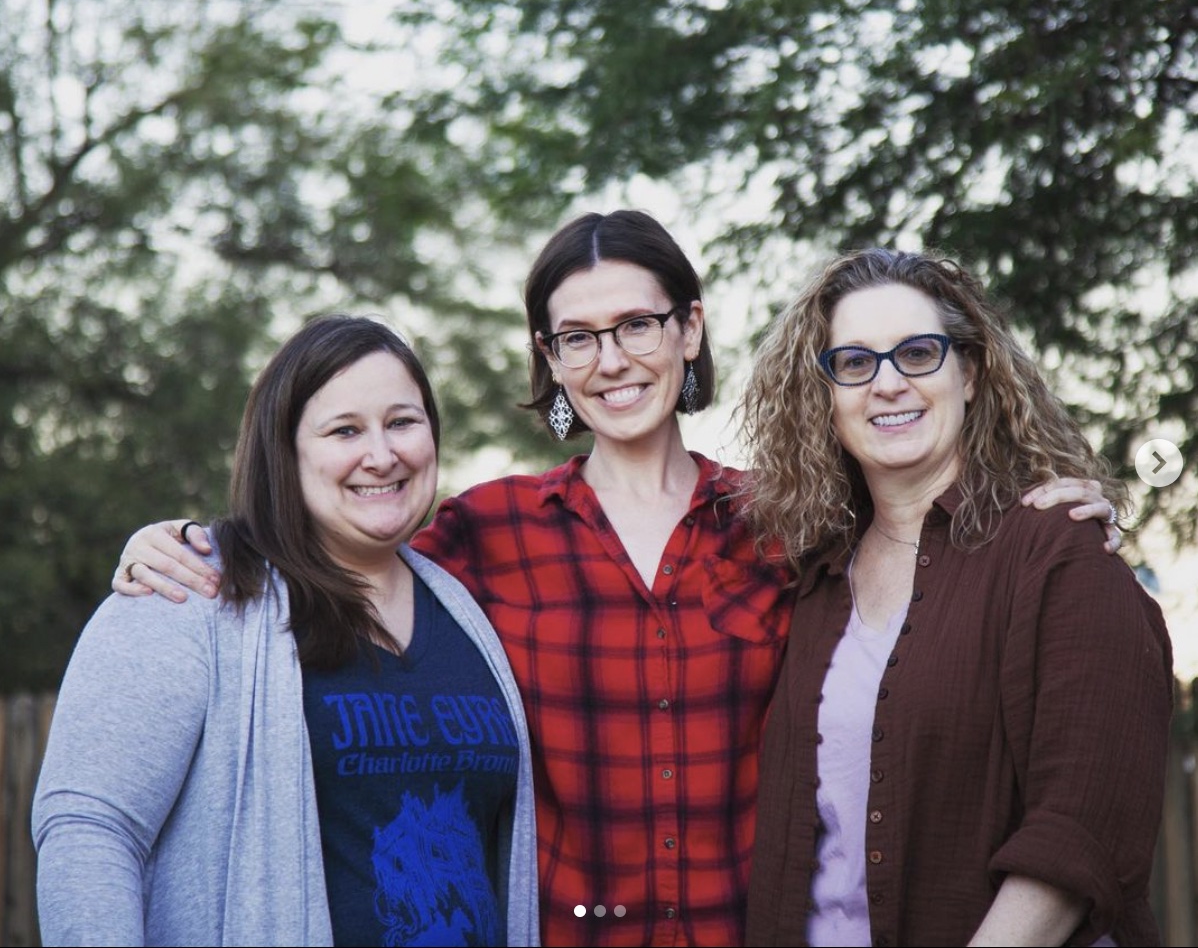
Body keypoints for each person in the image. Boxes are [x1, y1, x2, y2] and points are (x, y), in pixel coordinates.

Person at [106, 212, 1121, 947]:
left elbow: (931, 540)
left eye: (638, 324)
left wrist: (1063, 511)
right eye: (577, 337)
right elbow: (337, 538)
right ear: (549, 361)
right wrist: (196, 538)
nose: (612, 360)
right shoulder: (480, 536)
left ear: (688, 330)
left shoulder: (792, 526)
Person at [33, 315, 540, 947]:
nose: (382, 454)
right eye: (344, 430)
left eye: (403, 422)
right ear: (286, 450)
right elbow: (90, 829)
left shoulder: (464, 608)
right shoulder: (187, 592)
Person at [739, 248, 1173, 947]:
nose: (886, 384)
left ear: (969, 373)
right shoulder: (813, 580)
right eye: (854, 363)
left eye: (917, 353)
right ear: (825, 394)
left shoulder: (1057, 556)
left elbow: (1081, 832)